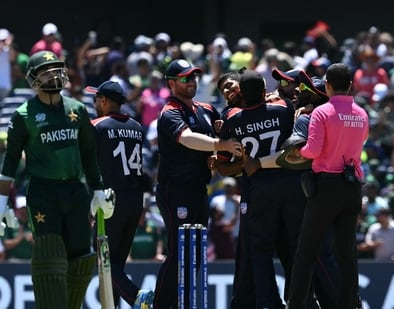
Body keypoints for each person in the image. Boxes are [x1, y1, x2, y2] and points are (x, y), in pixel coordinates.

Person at [0, 50, 114, 309]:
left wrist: (98, 190)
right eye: (46, 71)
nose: (54, 74)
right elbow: (10, 160)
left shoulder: (77, 109)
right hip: (43, 192)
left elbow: (89, 154)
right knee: (50, 256)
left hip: (76, 191)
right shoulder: (23, 114)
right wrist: (1, 201)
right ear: (33, 78)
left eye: (57, 68)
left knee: (82, 257)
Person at [152, 59, 242, 309]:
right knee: (179, 253)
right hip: (175, 190)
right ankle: (161, 305)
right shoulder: (169, 111)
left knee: (197, 256)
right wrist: (218, 145)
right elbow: (188, 138)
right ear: (171, 83)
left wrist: (220, 150)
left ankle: (186, 304)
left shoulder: (205, 109)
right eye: (185, 78)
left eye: (193, 77)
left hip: (198, 190)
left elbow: (223, 126)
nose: (191, 82)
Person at [287, 63, 369, 309]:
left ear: (329, 86)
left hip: (326, 186)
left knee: (305, 253)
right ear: (351, 86)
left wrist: (293, 152)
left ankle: (295, 305)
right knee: (347, 255)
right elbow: (360, 143)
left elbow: (312, 150)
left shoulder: (321, 113)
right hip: (352, 187)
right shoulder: (362, 114)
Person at [217, 70, 294, 308]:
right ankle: (299, 300)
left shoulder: (231, 119)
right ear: (263, 90)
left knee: (259, 251)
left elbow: (222, 163)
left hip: (257, 188)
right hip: (288, 184)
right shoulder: (282, 107)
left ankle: (269, 303)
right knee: (292, 248)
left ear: (241, 91)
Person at [86, 80, 153, 307]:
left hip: (110, 201)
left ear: (103, 101)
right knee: (116, 265)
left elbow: (86, 164)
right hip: (135, 200)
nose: (94, 103)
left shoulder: (96, 125)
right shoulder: (136, 126)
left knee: (103, 260)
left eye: (96, 99)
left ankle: (136, 296)